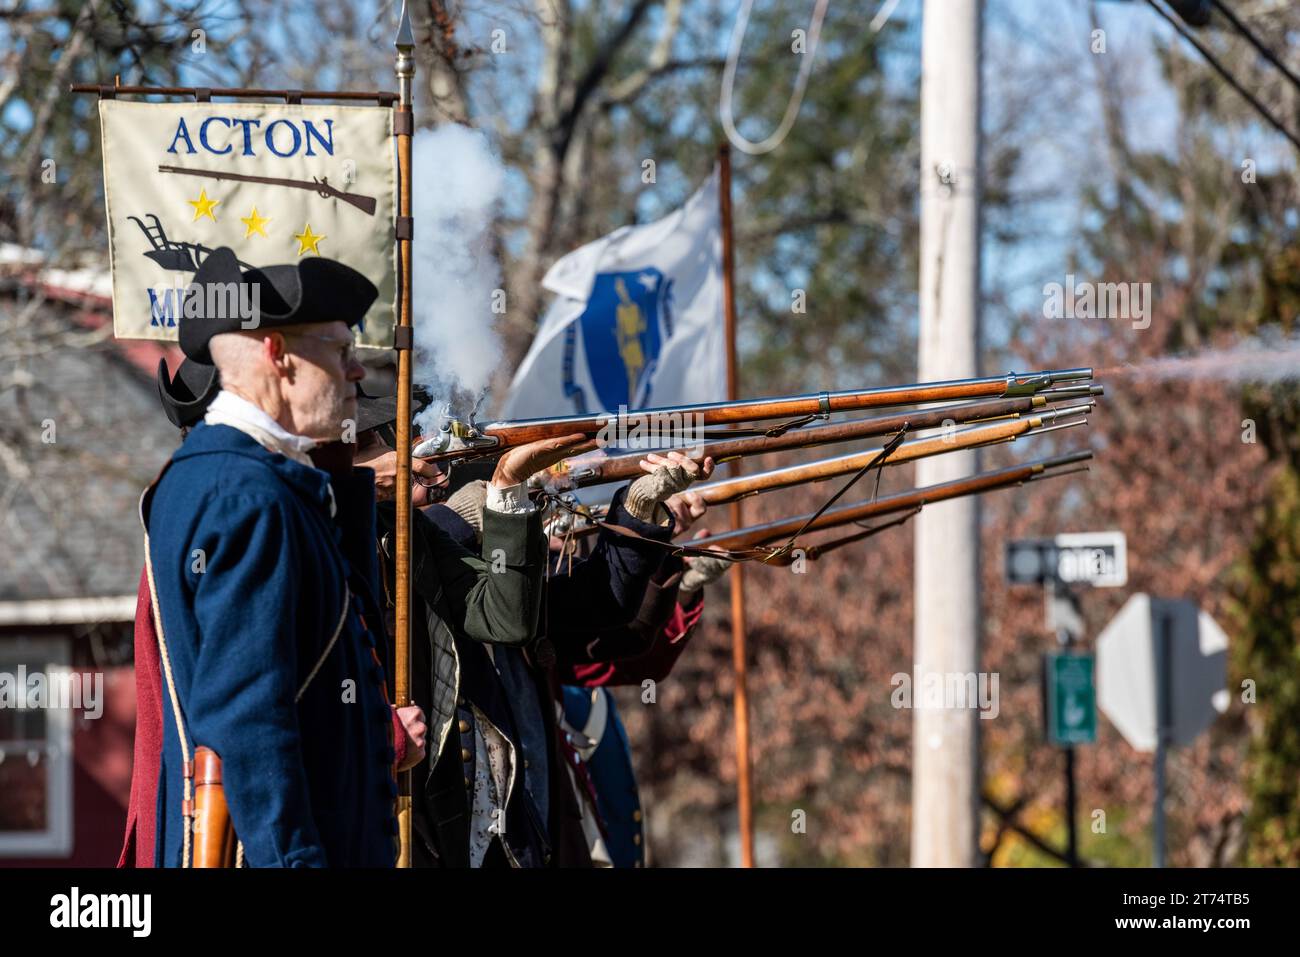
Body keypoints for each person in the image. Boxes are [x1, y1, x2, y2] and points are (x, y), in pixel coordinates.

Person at [141, 247, 417, 867]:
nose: (354, 373)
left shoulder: (245, 479)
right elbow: (248, 720)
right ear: (275, 351)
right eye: (340, 350)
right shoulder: (247, 495)